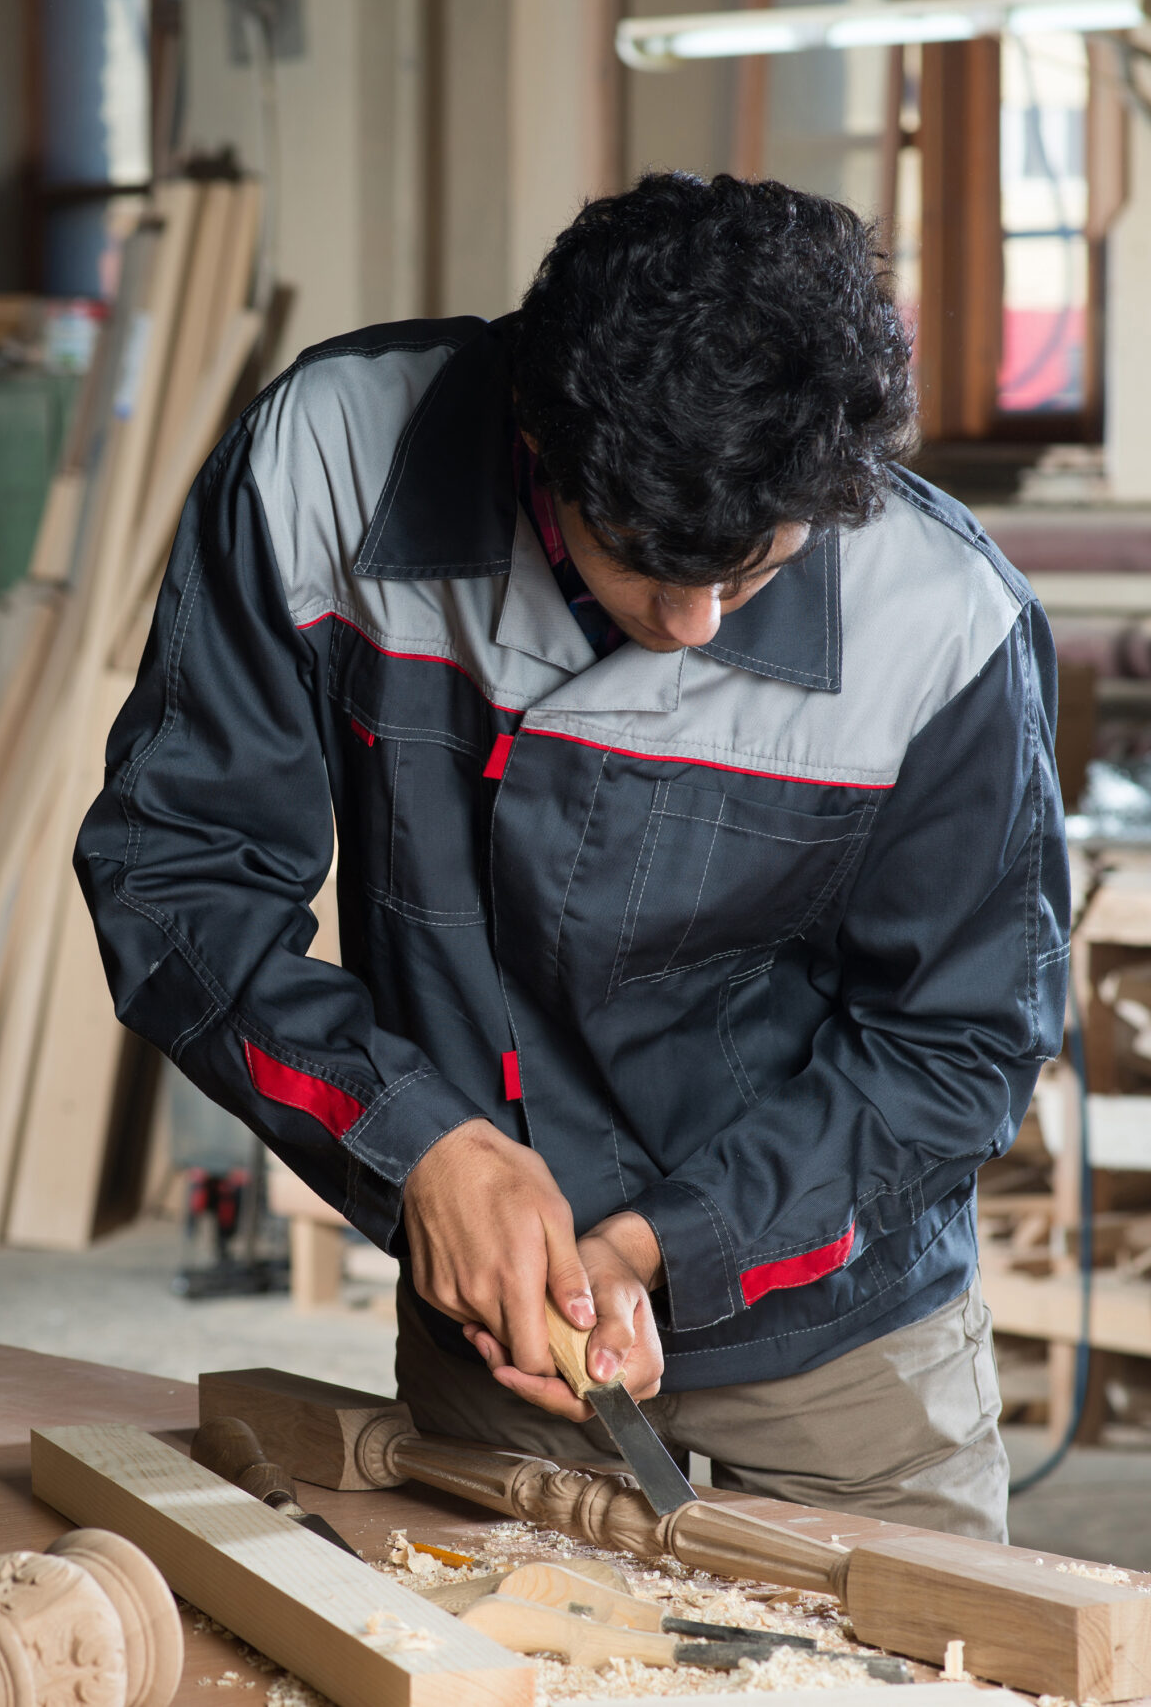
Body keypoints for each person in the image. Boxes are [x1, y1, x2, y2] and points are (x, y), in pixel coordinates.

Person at [74, 172, 1068, 1540]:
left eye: (760, 565)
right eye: (648, 558)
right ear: (540, 434)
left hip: (839, 1361)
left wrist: (666, 1246)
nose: (698, 618)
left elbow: (957, 1047)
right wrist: (419, 1147)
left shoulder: (946, 624)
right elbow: (175, 870)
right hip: (500, 1351)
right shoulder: (327, 465)